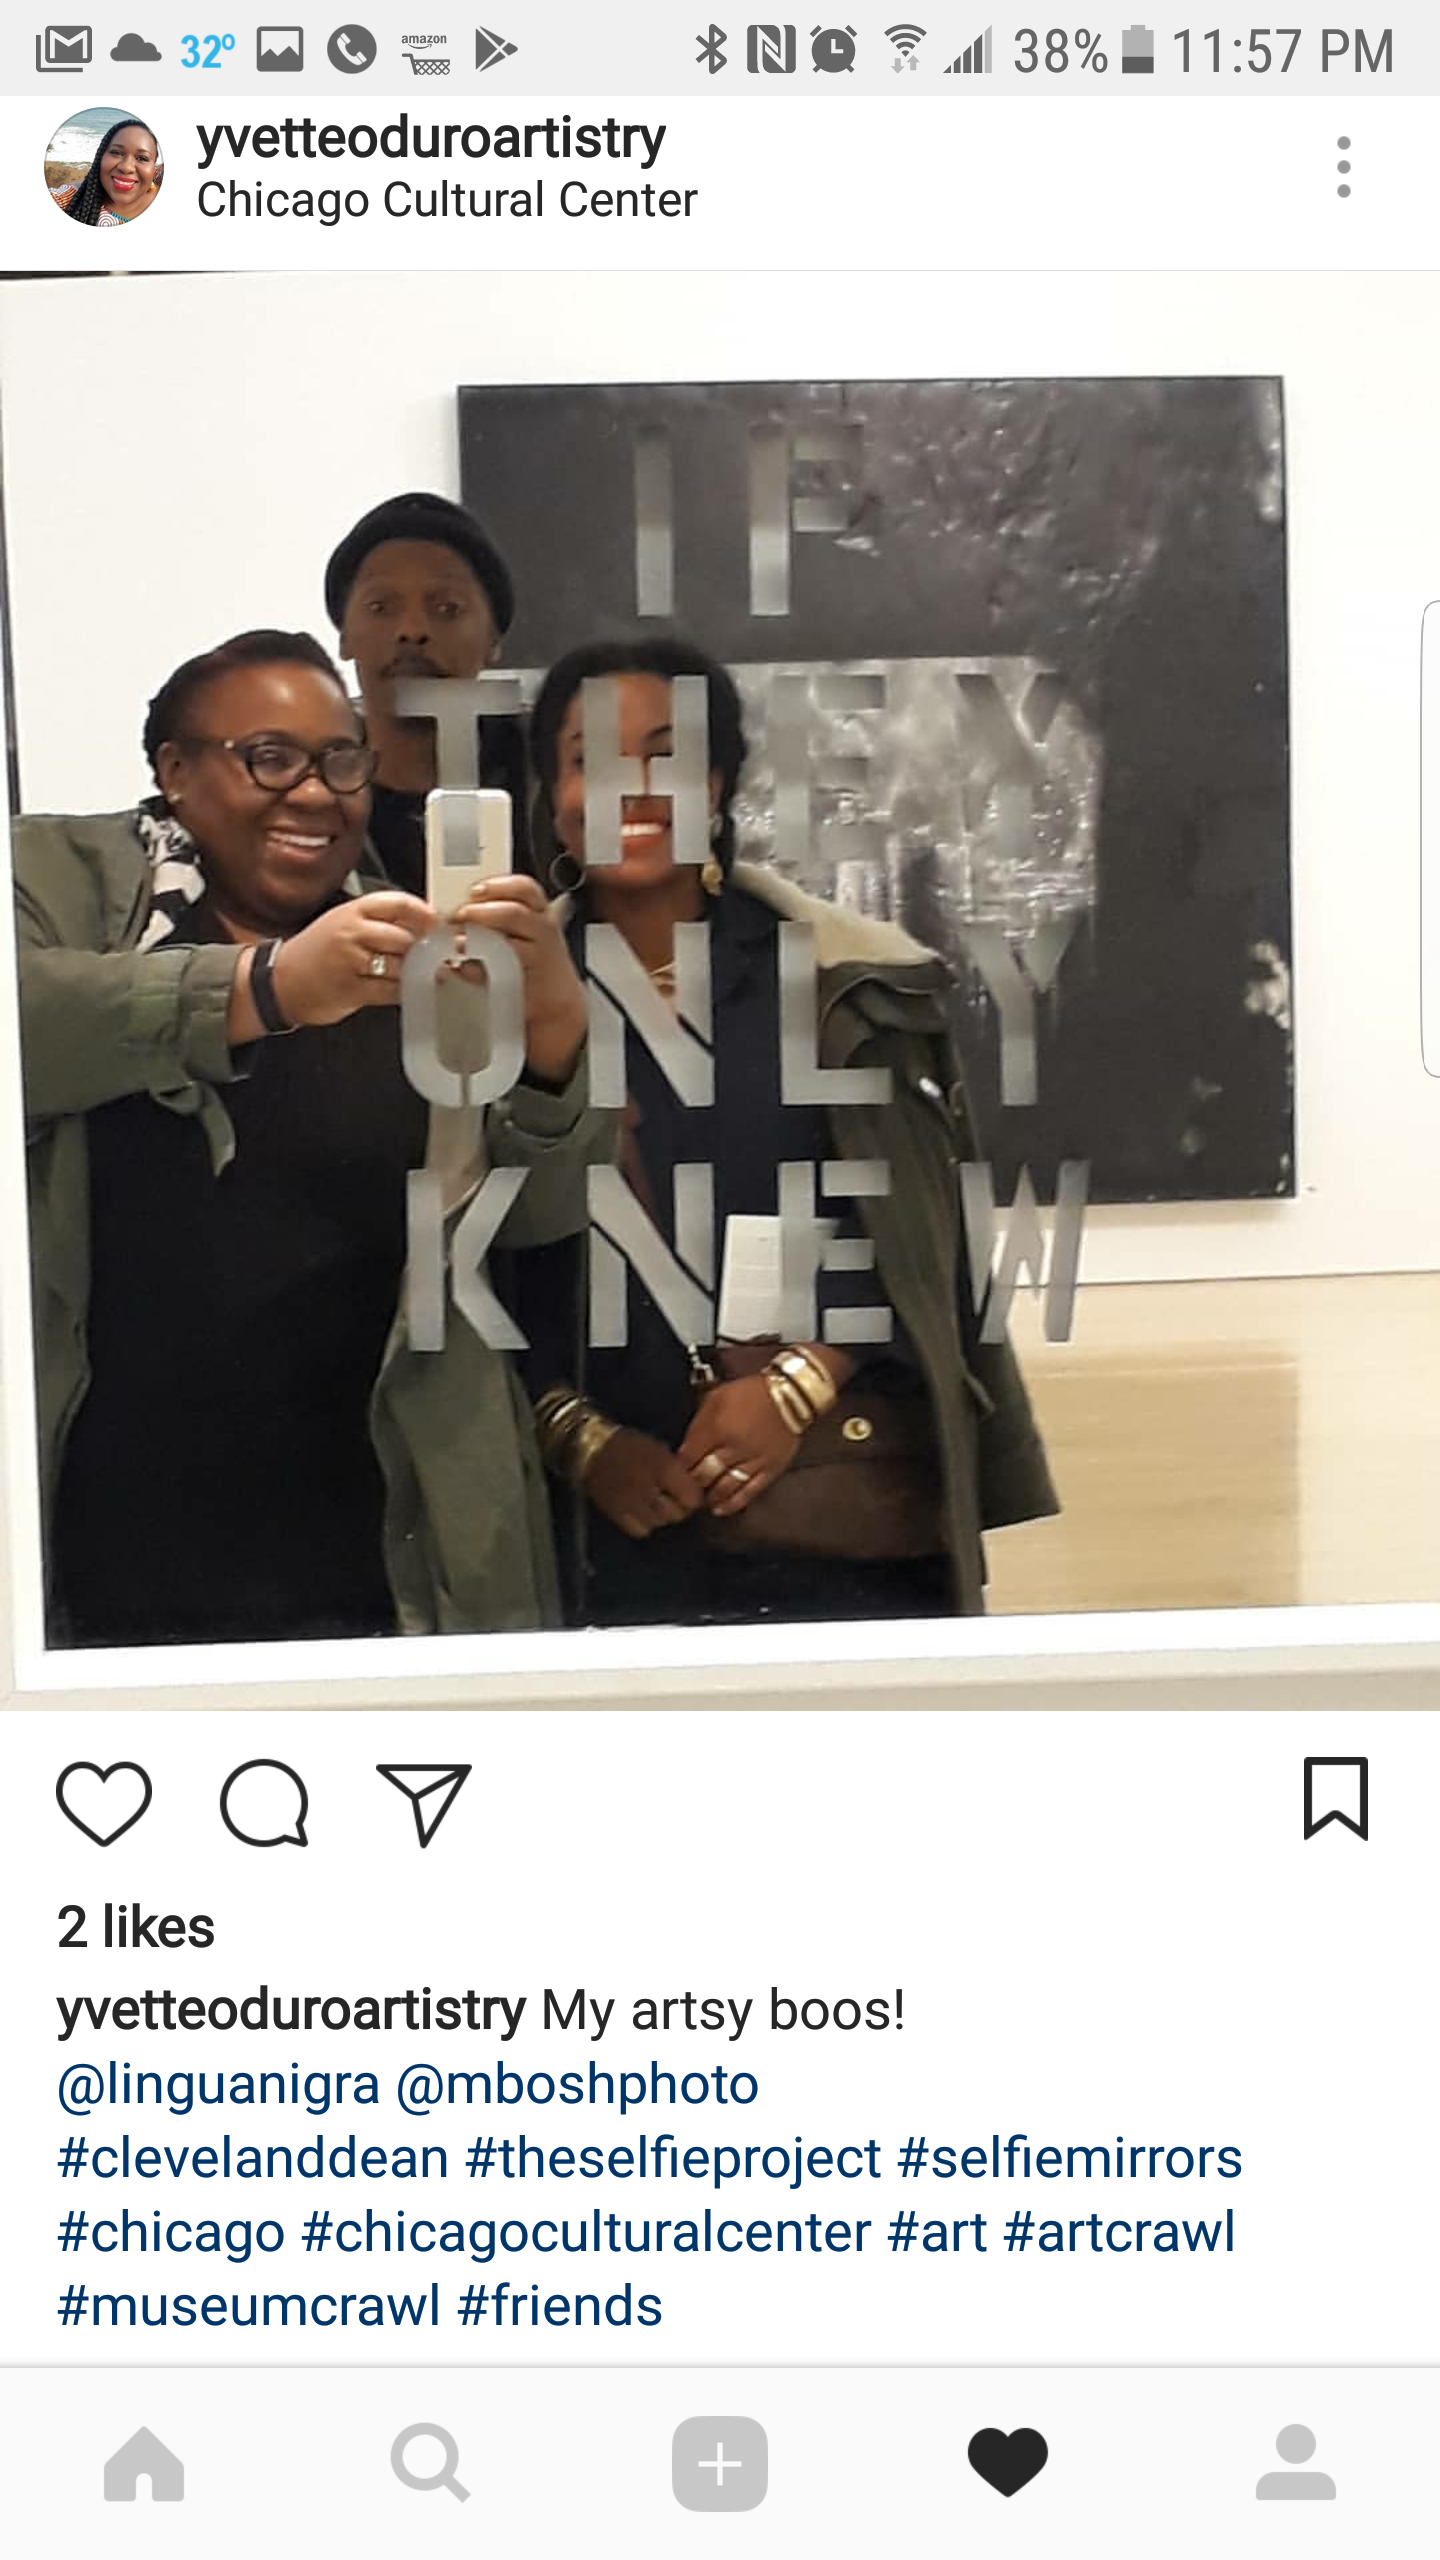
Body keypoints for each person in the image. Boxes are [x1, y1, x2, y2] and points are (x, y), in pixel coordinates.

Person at [430, 636, 1058, 1631]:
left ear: (717, 783)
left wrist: (799, 1384)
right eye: (590, 757)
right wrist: (580, 1439)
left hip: (840, 1520)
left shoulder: (851, 982)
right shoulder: (478, 1002)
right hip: (604, 1539)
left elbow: (917, 1235)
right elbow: (465, 1261)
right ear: (553, 793)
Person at [14, 628, 609, 1647]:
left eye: (342, 759)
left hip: (388, 1553)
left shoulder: (409, 941)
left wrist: (555, 1044)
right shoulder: (64, 880)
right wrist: (271, 986)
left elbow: (533, 1222)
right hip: (106, 1559)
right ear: (174, 770)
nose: (317, 792)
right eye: (270, 758)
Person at [325, 490, 529, 896]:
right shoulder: (309, 790)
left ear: (493, 640)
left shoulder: (550, 776)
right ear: (345, 637)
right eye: (381, 607)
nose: (412, 630)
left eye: (447, 608)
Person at [55, 120, 162, 226]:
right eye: (116, 152)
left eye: (142, 158)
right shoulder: (68, 200)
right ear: (100, 157)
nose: (126, 167)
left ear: (154, 167)